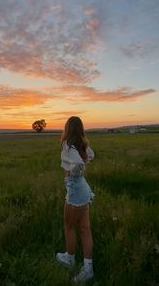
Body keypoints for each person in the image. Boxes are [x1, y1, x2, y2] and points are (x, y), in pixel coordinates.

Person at [56, 116, 95, 283]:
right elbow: (91, 156)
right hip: (83, 188)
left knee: (69, 225)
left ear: (67, 129)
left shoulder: (67, 144)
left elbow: (79, 164)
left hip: (76, 188)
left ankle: (70, 259)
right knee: (85, 229)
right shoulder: (81, 145)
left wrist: (74, 172)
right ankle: (88, 268)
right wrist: (81, 164)